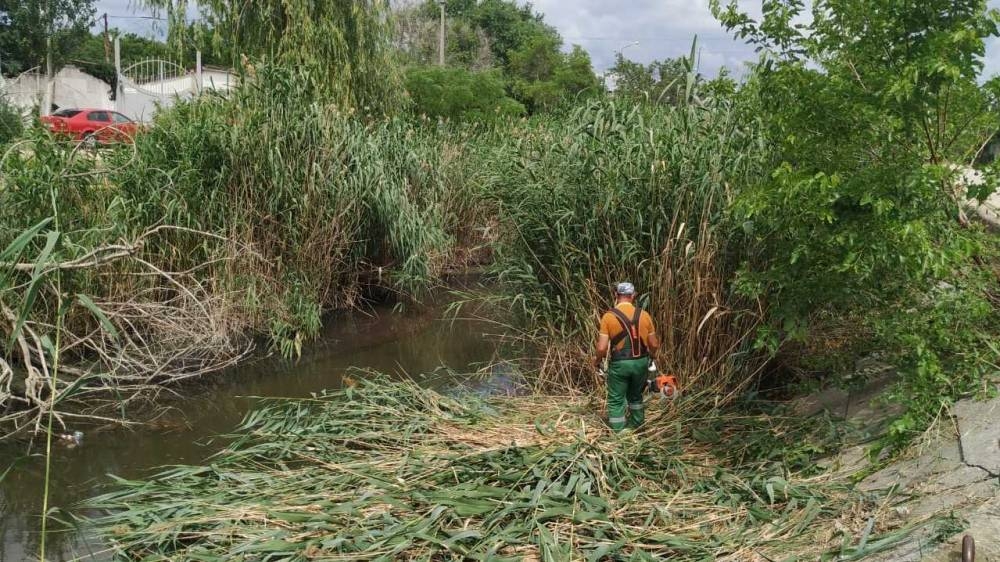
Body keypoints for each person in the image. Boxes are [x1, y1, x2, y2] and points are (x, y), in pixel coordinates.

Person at [592, 282, 660, 431]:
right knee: (636, 396)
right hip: (641, 362)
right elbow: (654, 344)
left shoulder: (608, 317)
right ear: (633, 296)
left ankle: (620, 434)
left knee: (616, 400)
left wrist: (596, 361)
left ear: (616, 295)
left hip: (620, 364)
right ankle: (638, 427)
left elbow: (602, 347)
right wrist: (652, 357)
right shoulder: (644, 315)